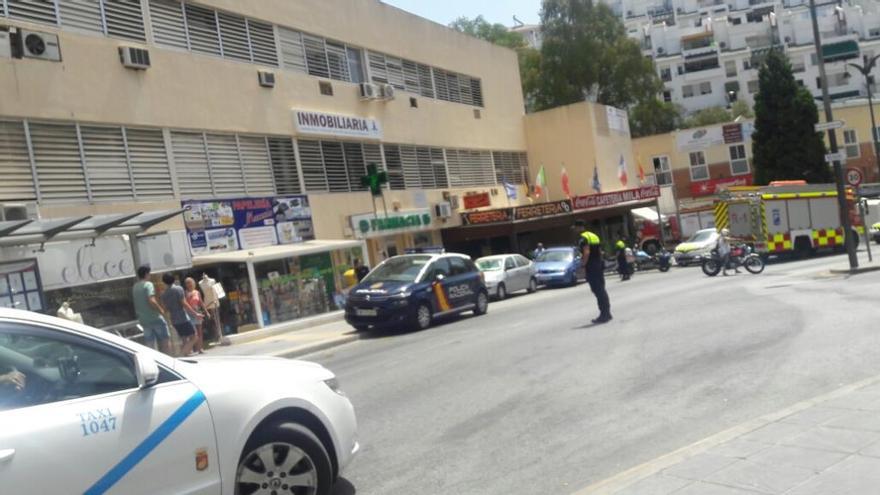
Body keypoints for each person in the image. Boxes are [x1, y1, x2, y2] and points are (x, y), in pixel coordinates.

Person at [576, 221, 612, 324]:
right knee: (602, 289)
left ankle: (604, 315)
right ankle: (607, 312)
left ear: (579, 227)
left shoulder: (583, 238)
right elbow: (600, 252)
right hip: (598, 265)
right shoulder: (594, 236)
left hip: (591, 266)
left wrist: (583, 265)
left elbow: (586, 252)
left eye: (576, 227)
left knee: (597, 290)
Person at [132, 265, 172, 355]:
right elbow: (151, 300)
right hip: (154, 317)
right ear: (146, 274)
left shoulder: (135, 287)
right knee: (165, 341)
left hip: (143, 320)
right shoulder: (148, 284)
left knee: (150, 344)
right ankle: (170, 362)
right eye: (149, 274)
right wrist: (161, 310)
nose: (149, 275)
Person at [161, 273, 201, 357]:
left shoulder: (164, 294)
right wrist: (195, 313)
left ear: (164, 282)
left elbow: (165, 309)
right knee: (194, 336)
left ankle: (186, 354)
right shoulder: (178, 289)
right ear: (173, 279)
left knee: (184, 338)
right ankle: (183, 353)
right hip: (183, 317)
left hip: (174, 319)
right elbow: (184, 303)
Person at [184, 277, 206, 354]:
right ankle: (192, 349)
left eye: (190, 282)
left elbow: (201, 302)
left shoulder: (197, 292)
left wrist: (206, 311)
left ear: (193, 283)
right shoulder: (185, 293)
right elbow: (184, 303)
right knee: (193, 333)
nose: (189, 284)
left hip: (198, 312)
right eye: (187, 283)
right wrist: (189, 296)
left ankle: (200, 348)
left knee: (200, 332)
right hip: (190, 314)